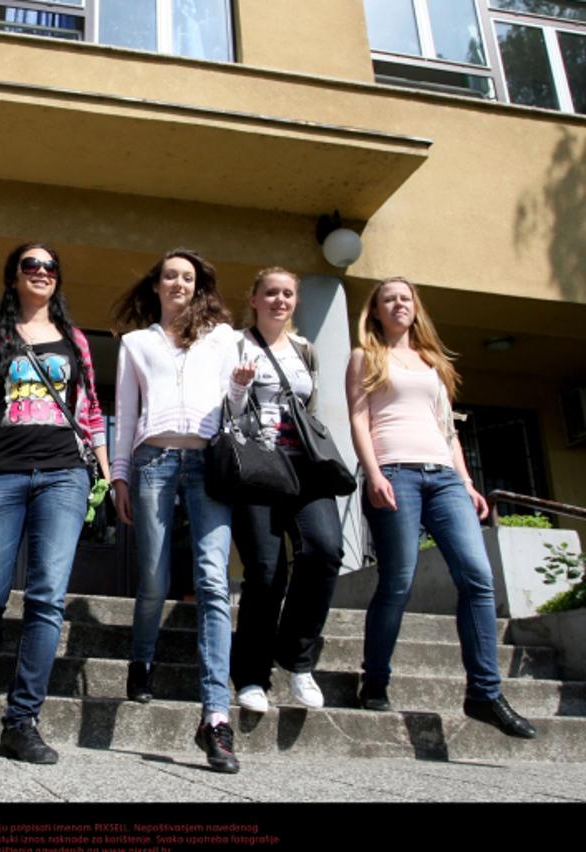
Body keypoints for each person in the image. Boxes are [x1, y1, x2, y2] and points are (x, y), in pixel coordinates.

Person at [0, 243, 109, 764]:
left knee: (47, 596)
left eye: (50, 267)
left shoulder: (74, 340)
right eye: (30, 265)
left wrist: (106, 468)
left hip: (63, 475)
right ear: (13, 277)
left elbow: (92, 409)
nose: (41, 272)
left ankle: (21, 718)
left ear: (58, 279)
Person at [346, 277, 536, 739]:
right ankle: (375, 678)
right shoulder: (365, 357)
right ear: (375, 310)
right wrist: (373, 474)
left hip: (444, 477)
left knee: (478, 577)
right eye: (388, 299)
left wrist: (468, 482)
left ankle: (484, 693)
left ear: (415, 308)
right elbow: (358, 416)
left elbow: (446, 427)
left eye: (405, 298)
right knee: (399, 579)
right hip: (395, 473)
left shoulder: (433, 361)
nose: (398, 304)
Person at [111, 248, 242, 773]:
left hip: (209, 461)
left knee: (212, 581)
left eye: (188, 277)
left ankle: (215, 716)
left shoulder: (223, 338)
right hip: (154, 459)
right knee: (153, 576)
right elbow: (124, 411)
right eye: (171, 276)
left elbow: (234, 399)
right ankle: (141, 659)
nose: (179, 284)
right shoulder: (135, 343)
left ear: (198, 286)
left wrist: (242, 382)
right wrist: (119, 473)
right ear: (157, 285)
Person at [226, 268, 343, 713]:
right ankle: (252, 676)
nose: (280, 300)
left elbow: (309, 408)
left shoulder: (304, 350)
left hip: (304, 467)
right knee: (266, 570)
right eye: (270, 293)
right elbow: (227, 409)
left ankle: (296, 659)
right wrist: (238, 385)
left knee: (325, 550)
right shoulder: (236, 344)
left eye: (288, 294)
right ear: (254, 298)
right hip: (257, 465)